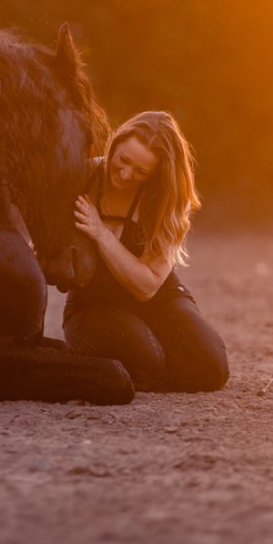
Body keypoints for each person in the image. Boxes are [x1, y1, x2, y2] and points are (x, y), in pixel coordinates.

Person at [65, 110, 228, 392]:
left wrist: (100, 233)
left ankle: (148, 361)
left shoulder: (165, 200)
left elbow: (147, 287)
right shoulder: (82, 176)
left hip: (157, 297)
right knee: (145, 360)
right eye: (122, 160)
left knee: (211, 369)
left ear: (156, 173)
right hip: (94, 304)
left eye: (140, 172)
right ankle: (142, 362)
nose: (126, 174)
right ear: (114, 144)